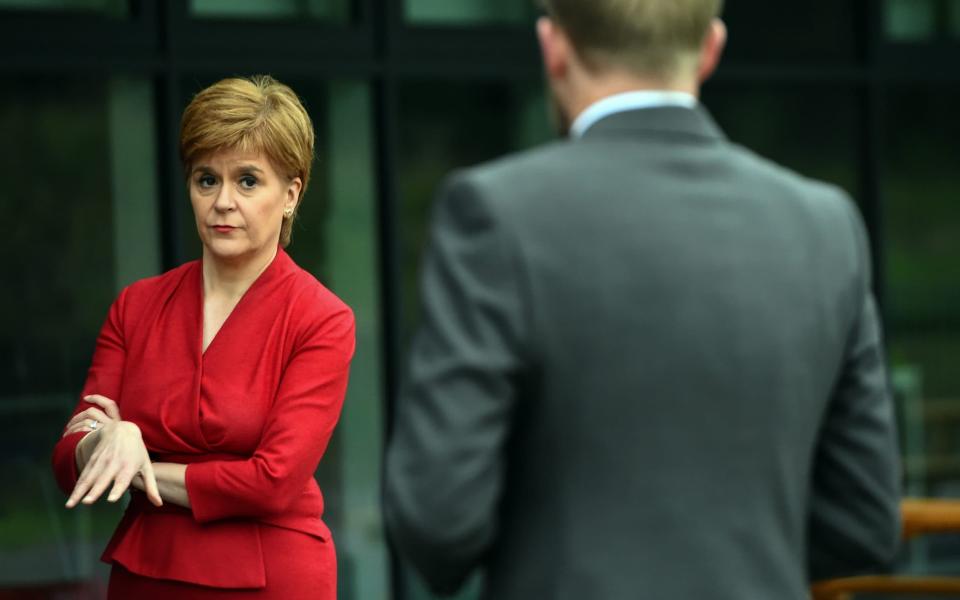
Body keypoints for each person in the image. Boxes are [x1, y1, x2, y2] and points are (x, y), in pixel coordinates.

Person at [383, 1, 901, 598]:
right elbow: (865, 520)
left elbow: (436, 519)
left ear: (553, 47)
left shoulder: (499, 214)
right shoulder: (825, 225)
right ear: (711, 47)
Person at [51, 75, 354, 599]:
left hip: (271, 579)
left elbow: (272, 482)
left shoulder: (320, 318)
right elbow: (69, 455)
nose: (223, 201)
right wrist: (109, 439)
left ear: (291, 194)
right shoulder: (137, 305)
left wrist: (139, 463)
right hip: (146, 573)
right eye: (206, 179)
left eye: (249, 181)